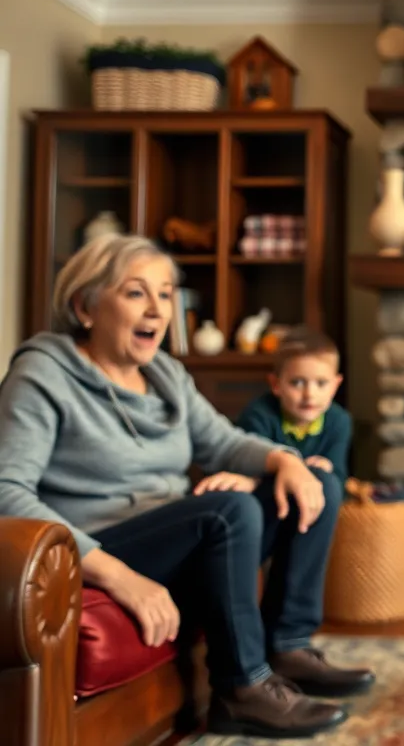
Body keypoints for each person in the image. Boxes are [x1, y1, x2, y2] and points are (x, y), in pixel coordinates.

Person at [0, 234, 371, 739]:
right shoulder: (43, 375)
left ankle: (288, 646)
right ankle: (242, 689)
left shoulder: (165, 374)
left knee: (317, 481)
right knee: (229, 510)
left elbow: (224, 442)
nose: (158, 309)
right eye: (136, 293)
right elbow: (7, 491)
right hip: (103, 542)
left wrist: (285, 460)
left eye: (165, 293)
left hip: (173, 538)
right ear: (85, 306)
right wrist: (117, 575)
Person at [235, 326, 351, 485]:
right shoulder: (258, 416)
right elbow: (250, 472)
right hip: (269, 491)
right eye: (297, 383)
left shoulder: (339, 420)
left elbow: (340, 476)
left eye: (321, 383)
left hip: (318, 490)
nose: (309, 394)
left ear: (335, 386)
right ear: (276, 384)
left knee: (328, 481)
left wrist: (327, 467)